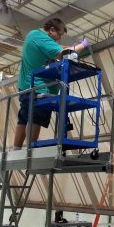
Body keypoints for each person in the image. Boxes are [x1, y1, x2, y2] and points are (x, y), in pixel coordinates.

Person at [13, 18, 88, 149]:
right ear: (51, 30)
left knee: (24, 117)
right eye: (59, 34)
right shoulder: (41, 37)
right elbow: (64, 54)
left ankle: (16, 149)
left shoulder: (33, 35)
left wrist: (67, 47)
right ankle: (30, 150)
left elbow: (58, 48)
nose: (59, 38)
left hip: (25, 86)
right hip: (38, 88)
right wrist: (82, 45)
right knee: (36, 117)